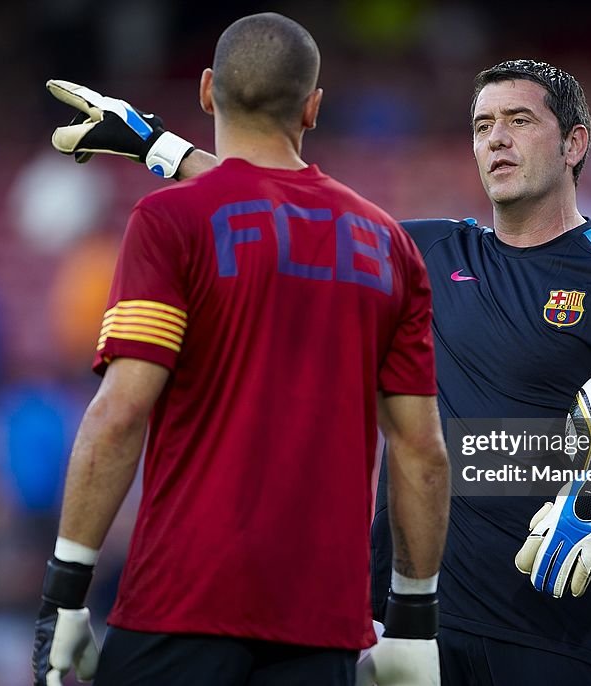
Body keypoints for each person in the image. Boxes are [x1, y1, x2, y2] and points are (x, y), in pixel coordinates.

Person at [45, 59, 591, 685]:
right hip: (407, 634)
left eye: (519, 121)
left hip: (558, 636)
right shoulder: (428, 250)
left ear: (575, 143)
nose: (496, 140)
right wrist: (153, 144)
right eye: (483, 125)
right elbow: (292, 208)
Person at [32, 13, 451, 686]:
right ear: (313, 107)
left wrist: (65, 593)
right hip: (321, 628)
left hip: (178, 604)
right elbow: (422, 450)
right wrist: (413, 622)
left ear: (206, 91)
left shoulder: (168, 222)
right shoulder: (390, 248)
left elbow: (119, 415)